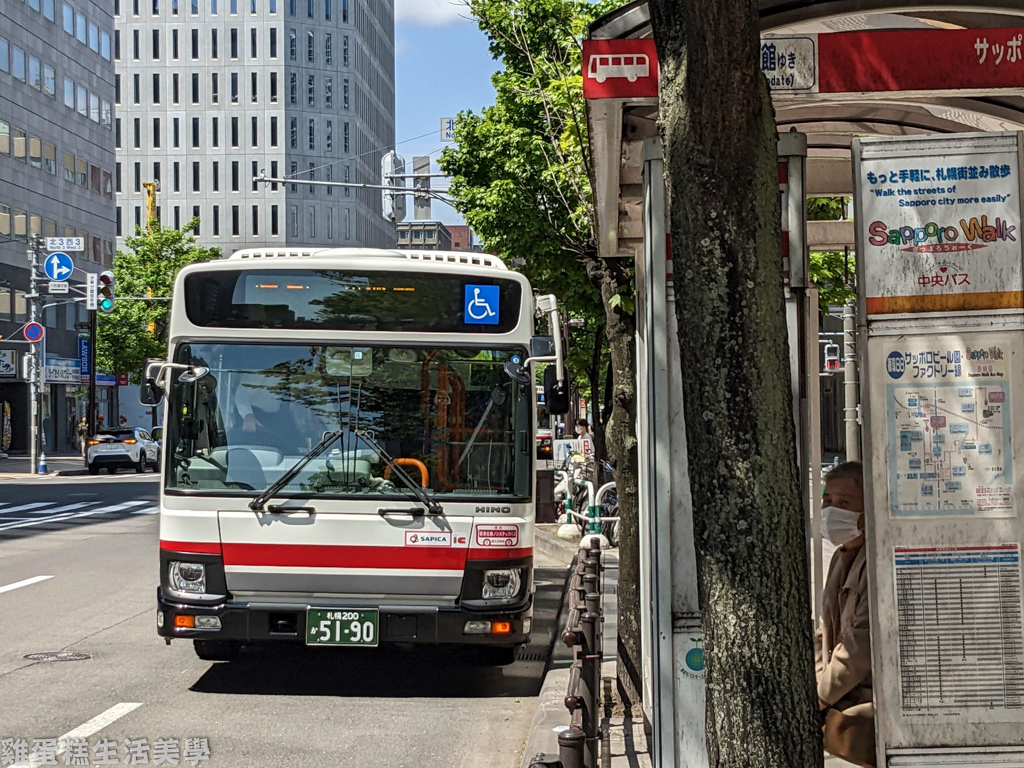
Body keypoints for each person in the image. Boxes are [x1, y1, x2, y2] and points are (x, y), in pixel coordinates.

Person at [817, 460, 876, 767]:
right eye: (828, 500)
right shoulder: (840, 558)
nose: (831, 510)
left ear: (867, 512)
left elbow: (859, 648)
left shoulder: (877, 563)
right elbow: (827, 629)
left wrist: (819, 697)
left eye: (844, 503)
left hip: (871, 704)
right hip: (845, 701)